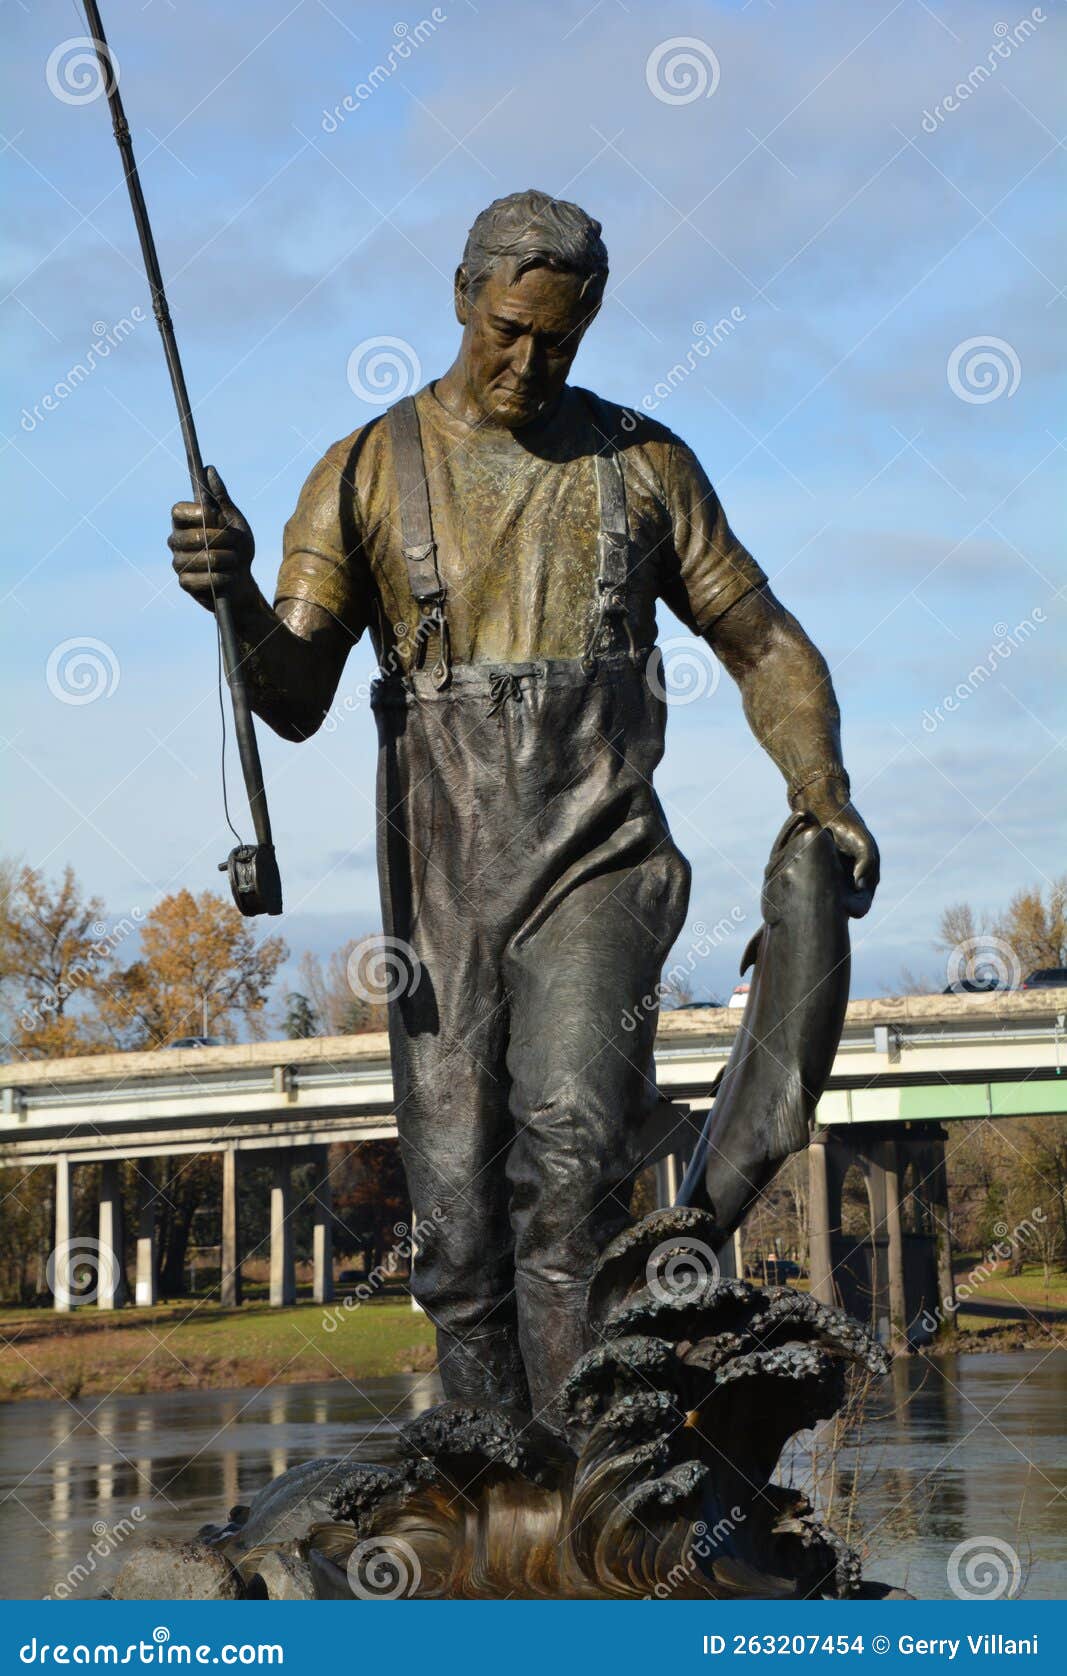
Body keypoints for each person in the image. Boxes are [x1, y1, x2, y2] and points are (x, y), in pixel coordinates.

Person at [170, 189, 879, 1425]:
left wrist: (821, 792)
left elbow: (762, 642)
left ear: (588, 319)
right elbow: (289, 699)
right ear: (460, 294)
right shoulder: (359, 475)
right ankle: (488, 1482)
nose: (525, 359)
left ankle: (586, 1473)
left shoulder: (643, 466)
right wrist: (231, 601)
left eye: (555, 337)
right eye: (506, 327)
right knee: (452, 1220)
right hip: (444, 889)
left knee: (571, 1152)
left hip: (598, 859)